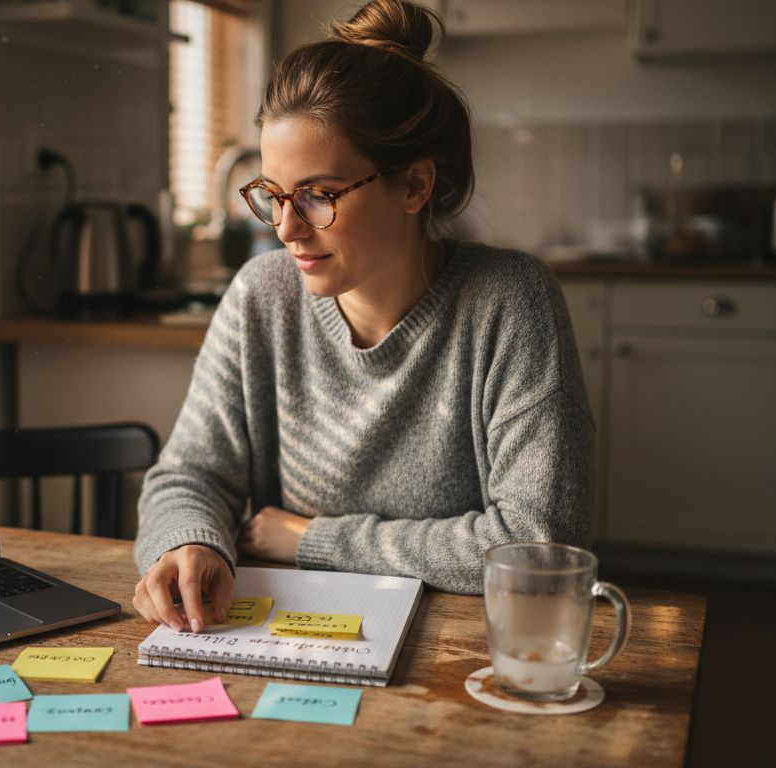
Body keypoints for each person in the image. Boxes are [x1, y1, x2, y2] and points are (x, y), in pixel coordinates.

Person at [132, 0, 593, 633]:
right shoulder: (261, 295)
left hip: (461, 645)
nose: (287, 230)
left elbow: (539, 546)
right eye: (273, 196)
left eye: (319, 195)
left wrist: (312, 539)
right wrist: (190, 542)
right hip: (288, 636)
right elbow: (189, 473)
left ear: (414, 186)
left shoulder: (510, 301)